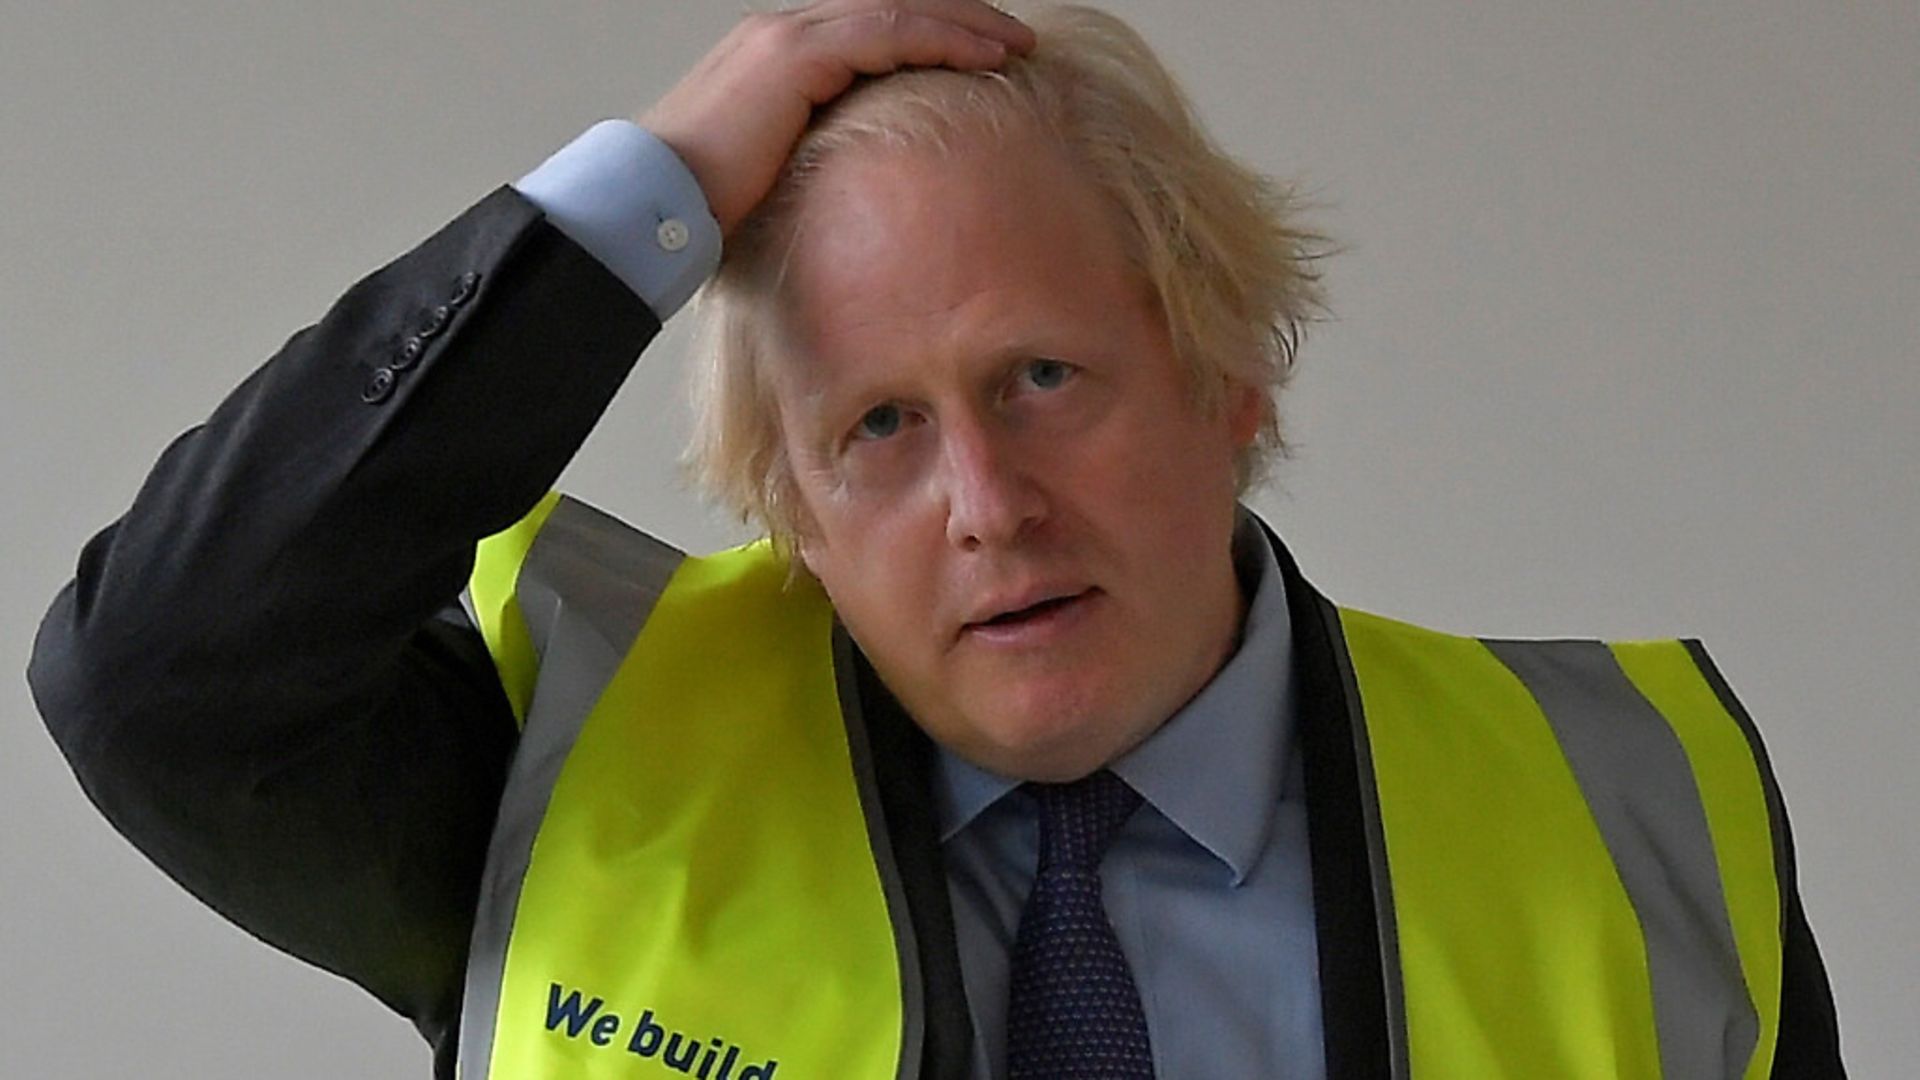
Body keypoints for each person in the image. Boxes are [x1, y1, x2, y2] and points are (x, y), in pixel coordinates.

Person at [28, 1, 1844, 1077]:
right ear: (793, 508)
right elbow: (159, 682)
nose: (988, 504)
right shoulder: (557, 776)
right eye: (877, 428)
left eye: (1044, 376)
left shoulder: (1635, 817)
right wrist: (643, 197)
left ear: (1232, 379)